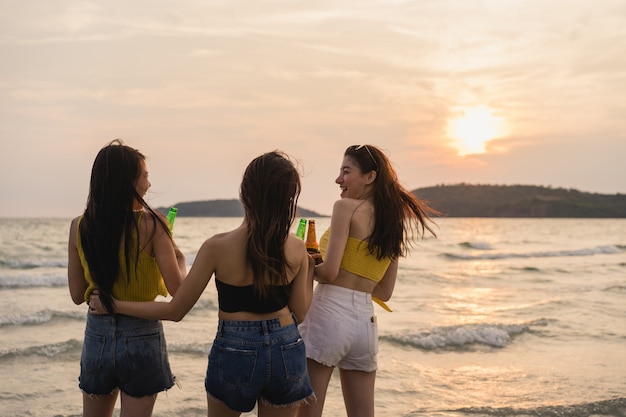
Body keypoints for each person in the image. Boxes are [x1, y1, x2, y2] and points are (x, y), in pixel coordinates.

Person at [90, 151, 316, 417]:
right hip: (286, 345)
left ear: (245, 193)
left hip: (235, 347)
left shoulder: (216, 247)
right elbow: (300, 313)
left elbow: (175, 311)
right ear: (289, 199)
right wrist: (310, 271)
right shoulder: (297, 249)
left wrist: (113, 304)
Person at [296, 144, 438, 417]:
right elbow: (384, 292)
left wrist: (301, 260)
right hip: (365, 325)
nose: (339, 179)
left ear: (370, 176)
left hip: (329, 315)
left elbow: (328, 273)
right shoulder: (393, 222)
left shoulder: (345, 208)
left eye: (346, 171)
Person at [67, 139, 187, 417]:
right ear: (128, 182)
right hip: (142, 337)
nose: (148, 182)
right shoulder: (153, 224)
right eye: (144, 175)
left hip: (97, 335)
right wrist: (179, 258)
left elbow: (77, 294)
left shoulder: (80, 226)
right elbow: (179, 292)